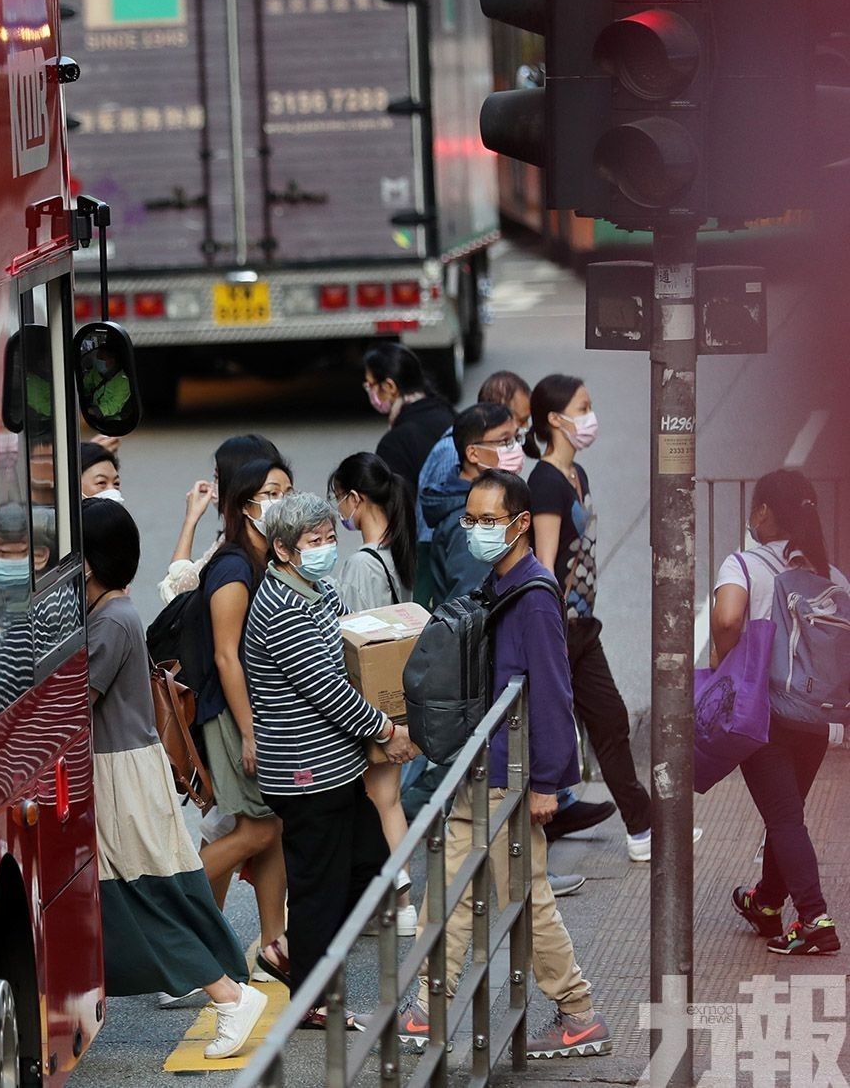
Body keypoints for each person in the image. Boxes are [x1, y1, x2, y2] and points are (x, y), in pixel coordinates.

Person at [398, 470, 612, 1059]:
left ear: (520, 524)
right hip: (479, 766)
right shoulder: (498, 583)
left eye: (490, 521)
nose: (477, 530)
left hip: (511, 776)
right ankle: (428, 1007)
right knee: (450, 894)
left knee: (527, 897)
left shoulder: (535, 596)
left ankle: (577, 1012)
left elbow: (553, 691)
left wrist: (548, 783)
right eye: (472, 519)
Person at [83, 497, 268, 1059]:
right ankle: (228, 990)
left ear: (86, 565)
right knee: (145, 896)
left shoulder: (113, 621)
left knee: (146, 898)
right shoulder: (112, 614)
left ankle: (229, 996)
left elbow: (74, 700)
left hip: (123, 778)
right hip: (122, 773)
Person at [243, 492, 418, 1028]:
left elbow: (350, 644)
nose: (323, 550)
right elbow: (329, 690)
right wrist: (388, 730)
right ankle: (313, 999)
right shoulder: (281, 607)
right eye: (312, 543)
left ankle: (293, 954)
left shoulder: (316, 589)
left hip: (336, 769)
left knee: (367, 866)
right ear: (282, 549)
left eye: (327, 540)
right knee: (322, 886)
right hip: (305, 773)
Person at [527, 375, 690, 863]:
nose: (590, 416)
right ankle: (542, 831)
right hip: (559, 632)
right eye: (583, 406)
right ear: (556, 420)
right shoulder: (545, 483)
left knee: (610, 721)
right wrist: (550, 640)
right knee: (554, 733)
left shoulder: (577, 475)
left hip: (583, 629)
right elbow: (546, 565)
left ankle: (641, 828)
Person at [712, 469, 848, 955]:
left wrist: (723, 665)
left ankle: (815, 919)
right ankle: (766, 902)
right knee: (786, 811)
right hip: (814, 717)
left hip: (763, 713)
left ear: (765, 512)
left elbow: (728, 618)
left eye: (755, 508)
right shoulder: (830, 575)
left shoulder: (745, 566)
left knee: (786, 818)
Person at [197, 458, 292, 985]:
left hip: (256, 712)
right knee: (257, 829)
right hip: (233, 716)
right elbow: (227, 658)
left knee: (272, 828)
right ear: (242, 506)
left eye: (287, 489)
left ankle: (274, 945)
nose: (282, 500)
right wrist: (251, 730)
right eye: (270, 492)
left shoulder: (266, 559)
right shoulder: (234, 568)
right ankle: (170, 901)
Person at [329, 452, 418, 935]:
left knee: (379, 801)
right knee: (388, 800)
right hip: (397, 695)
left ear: (356, 499)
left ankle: (399, 900)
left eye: (339, 498)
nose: (338, 510)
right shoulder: (396, 550)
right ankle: (392, 899)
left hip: (370, 700)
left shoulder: (363, 564)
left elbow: (355, 637)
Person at [159, 435, 284, 606]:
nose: (212, 486)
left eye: (217, 478)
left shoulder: (232, 558)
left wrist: (191, 520)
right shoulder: (293, 540)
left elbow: (176, 591)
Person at [423, 402, 521, 605]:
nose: (515, 448)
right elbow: (469, 605)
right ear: (473, 453)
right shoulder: (471, 523)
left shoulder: (484, 499)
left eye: (515, 438)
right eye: (504, 441)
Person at [363, 344, 455, 493]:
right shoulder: (448, 413)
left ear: (389, 386)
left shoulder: (394, 443)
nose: (368, 389)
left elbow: (397, 506)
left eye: (370, 384)